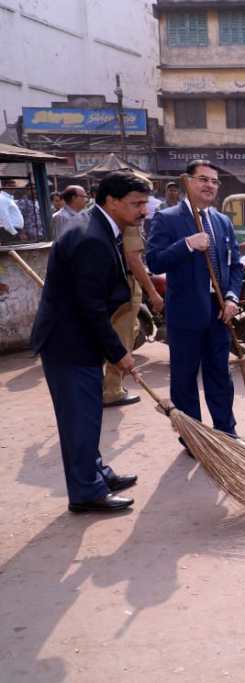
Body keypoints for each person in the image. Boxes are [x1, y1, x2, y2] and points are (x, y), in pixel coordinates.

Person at [30, 171, 148, 513]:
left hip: (79, 339)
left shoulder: (100, 226)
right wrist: (118, 354)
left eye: (144, 203)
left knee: (89, 415)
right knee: (79, 419)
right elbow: (90, 307)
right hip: (69, 342)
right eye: (136, 204)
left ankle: (97, 473)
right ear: (111, 201)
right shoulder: (91, 238)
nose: (143, 211)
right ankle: (86, 492)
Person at [147, 160, 245, 443]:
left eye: (214, 181)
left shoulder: (222, 221)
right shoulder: (168, 218)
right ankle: (194, 438)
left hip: (219, 314)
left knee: (220, 375)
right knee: (185, 378)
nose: (209, 185)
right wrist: (187, 244)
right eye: (203, 179)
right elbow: (154, 261)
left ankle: (226, 431)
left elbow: (235, 266)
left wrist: (231, 297)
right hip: (186, 314)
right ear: (187, 182)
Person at [104, 181, 164, 408]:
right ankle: (112, 389)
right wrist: (152, 292)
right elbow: (133, 259)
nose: (144, 209)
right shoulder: (129, 223)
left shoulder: (112, 219)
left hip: (114, 284)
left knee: (128, 331)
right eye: (139, 201)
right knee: (123, 336)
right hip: (126, 285)